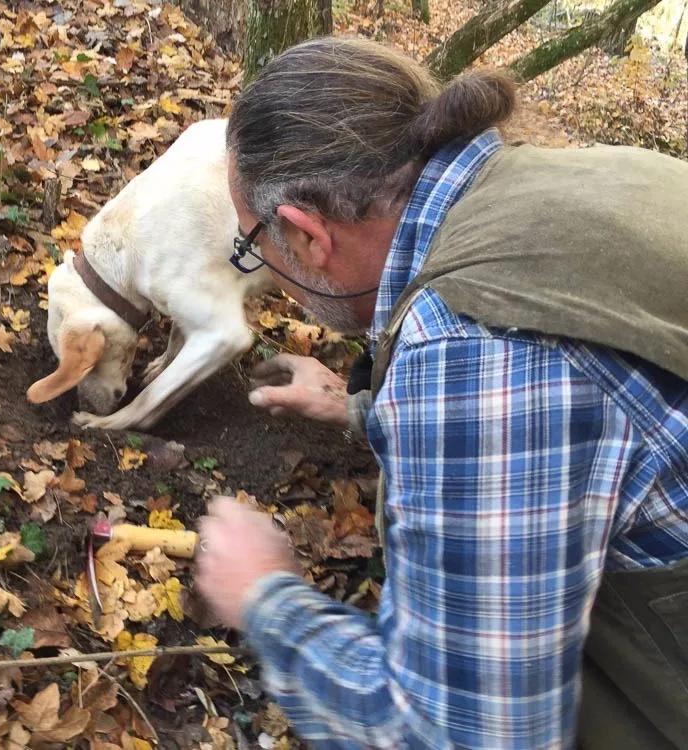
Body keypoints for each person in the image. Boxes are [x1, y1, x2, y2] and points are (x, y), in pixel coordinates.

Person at [195, 37, 688, 749]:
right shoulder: (589, 179)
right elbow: (616, 404)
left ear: (305, 235)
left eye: (254, 247)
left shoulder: (470, 350)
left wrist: (265, 598)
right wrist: (360, 407)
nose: (262, 266)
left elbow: (455, 734)